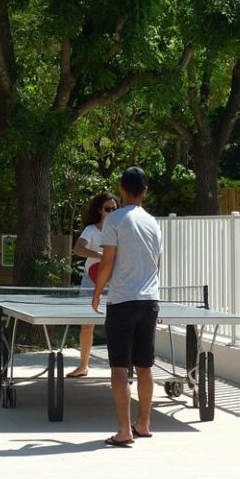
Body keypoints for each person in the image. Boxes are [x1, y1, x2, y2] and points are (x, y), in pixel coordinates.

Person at [91, 166, 162, 447]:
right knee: (144, 367)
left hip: (122, 301)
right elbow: (158, 264)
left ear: (121, 189)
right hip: (150, 301)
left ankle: (124, 430)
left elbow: (107, 262)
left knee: (120, 368)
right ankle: (144, 424)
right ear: (145, 191)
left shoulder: (115, 220)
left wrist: (97, 293)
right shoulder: (154, 223)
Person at [67, 192, 118, 378]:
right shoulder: (91, 230)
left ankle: (119, 370)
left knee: (117, 326)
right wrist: (100, 255)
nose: (111, 212)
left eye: (114, 208)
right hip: (91, 280)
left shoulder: (122, 229)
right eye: (107, 209)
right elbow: (78, 249)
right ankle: (83, 366)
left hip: (115, 282)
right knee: (87, 325)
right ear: (100, 210)